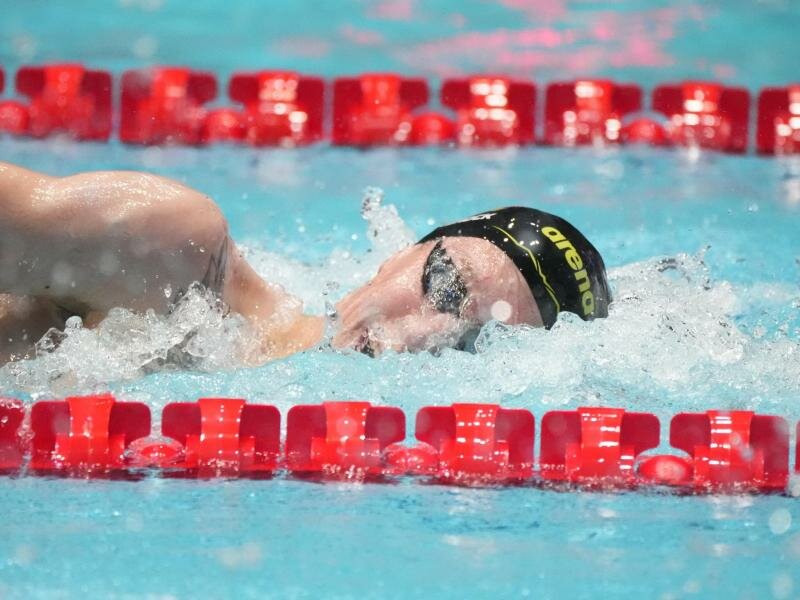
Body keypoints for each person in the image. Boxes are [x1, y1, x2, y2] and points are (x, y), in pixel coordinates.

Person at [0, 161, 611, 363]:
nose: (429, 333)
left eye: (477, 339)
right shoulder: (177, 250)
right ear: (403, 252)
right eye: (447, 285)